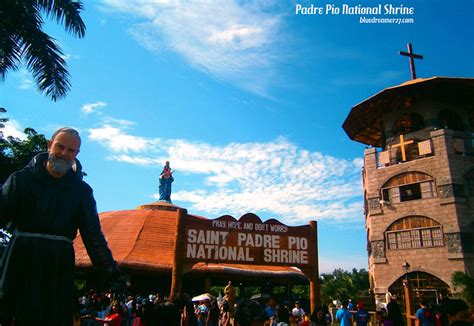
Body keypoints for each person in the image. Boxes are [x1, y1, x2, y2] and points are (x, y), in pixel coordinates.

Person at [0, 127, 125, 325]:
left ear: (76, 154)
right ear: (50, 146)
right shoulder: (20, 180)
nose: (64, 153)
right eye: (60, 147)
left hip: (58, 265)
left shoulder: (81, 192)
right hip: (20, 259)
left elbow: (93, 237)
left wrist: (112, 275)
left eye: (71, 150)